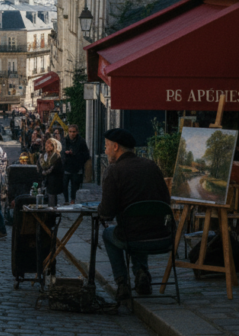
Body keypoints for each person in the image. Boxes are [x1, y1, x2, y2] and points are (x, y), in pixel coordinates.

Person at [98, 128, 172, 301]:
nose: (105, 150)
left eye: (107, 146)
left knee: (109, 233)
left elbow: (107, 213)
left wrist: (100, 210)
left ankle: (122, 282)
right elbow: (166, 200)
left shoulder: (114, 171)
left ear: (116, 146)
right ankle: (141, 272)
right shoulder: (151, 166)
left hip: (132, 237)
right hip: (163, 236)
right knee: (139, 226)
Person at [63, 124, 90, 204]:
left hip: (76, 167)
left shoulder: (81, 141)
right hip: (66, 167)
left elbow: (86, 155)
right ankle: (66, 200)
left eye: (74, 132)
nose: (72, 134)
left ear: (77, 132)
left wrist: (75, 155)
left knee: (74, 185)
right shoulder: (65, 140)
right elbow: (61, 151)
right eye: (70, 132)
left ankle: (72, 200)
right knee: (64, 185)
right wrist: (65, 153)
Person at [36, 138, 63, 208]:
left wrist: (49, 170)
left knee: (52, 199)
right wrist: (43, 172)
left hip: (53, 182)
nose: (47, 146)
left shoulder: (56, 156)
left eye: (50, 145)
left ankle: (52, 211)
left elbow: (57, 169)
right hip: (44, 180)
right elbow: (39, 166)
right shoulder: (42, 156)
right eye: (46, 144)